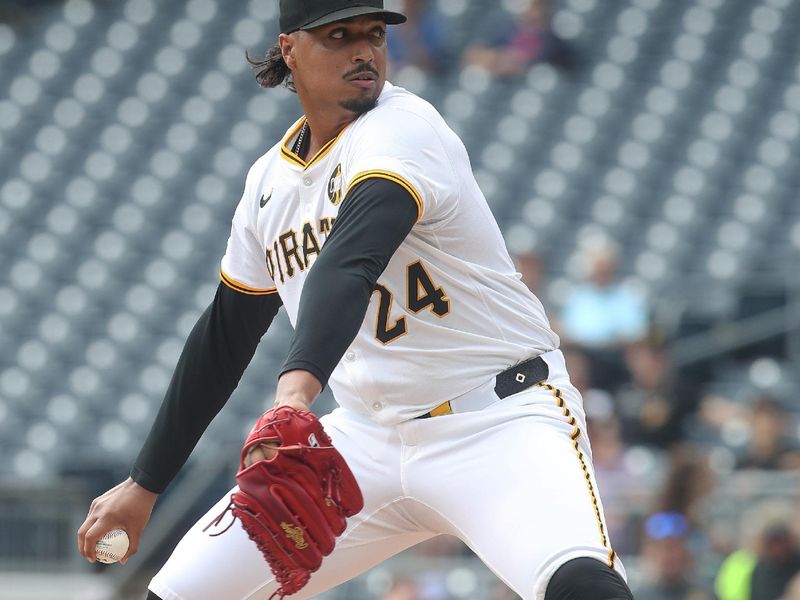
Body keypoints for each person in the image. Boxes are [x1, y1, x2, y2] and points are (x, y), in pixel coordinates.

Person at [77, 1, 633, 599]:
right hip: (364, 441)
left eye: (374, 34)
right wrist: (146, 482)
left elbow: (350, 260)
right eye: (339, 36)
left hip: (495, 421)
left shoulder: (403, 127)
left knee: (581, 587)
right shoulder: (268, 184)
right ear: (289, 49)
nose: (363, 51)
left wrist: (294, 395)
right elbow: (226, 333)